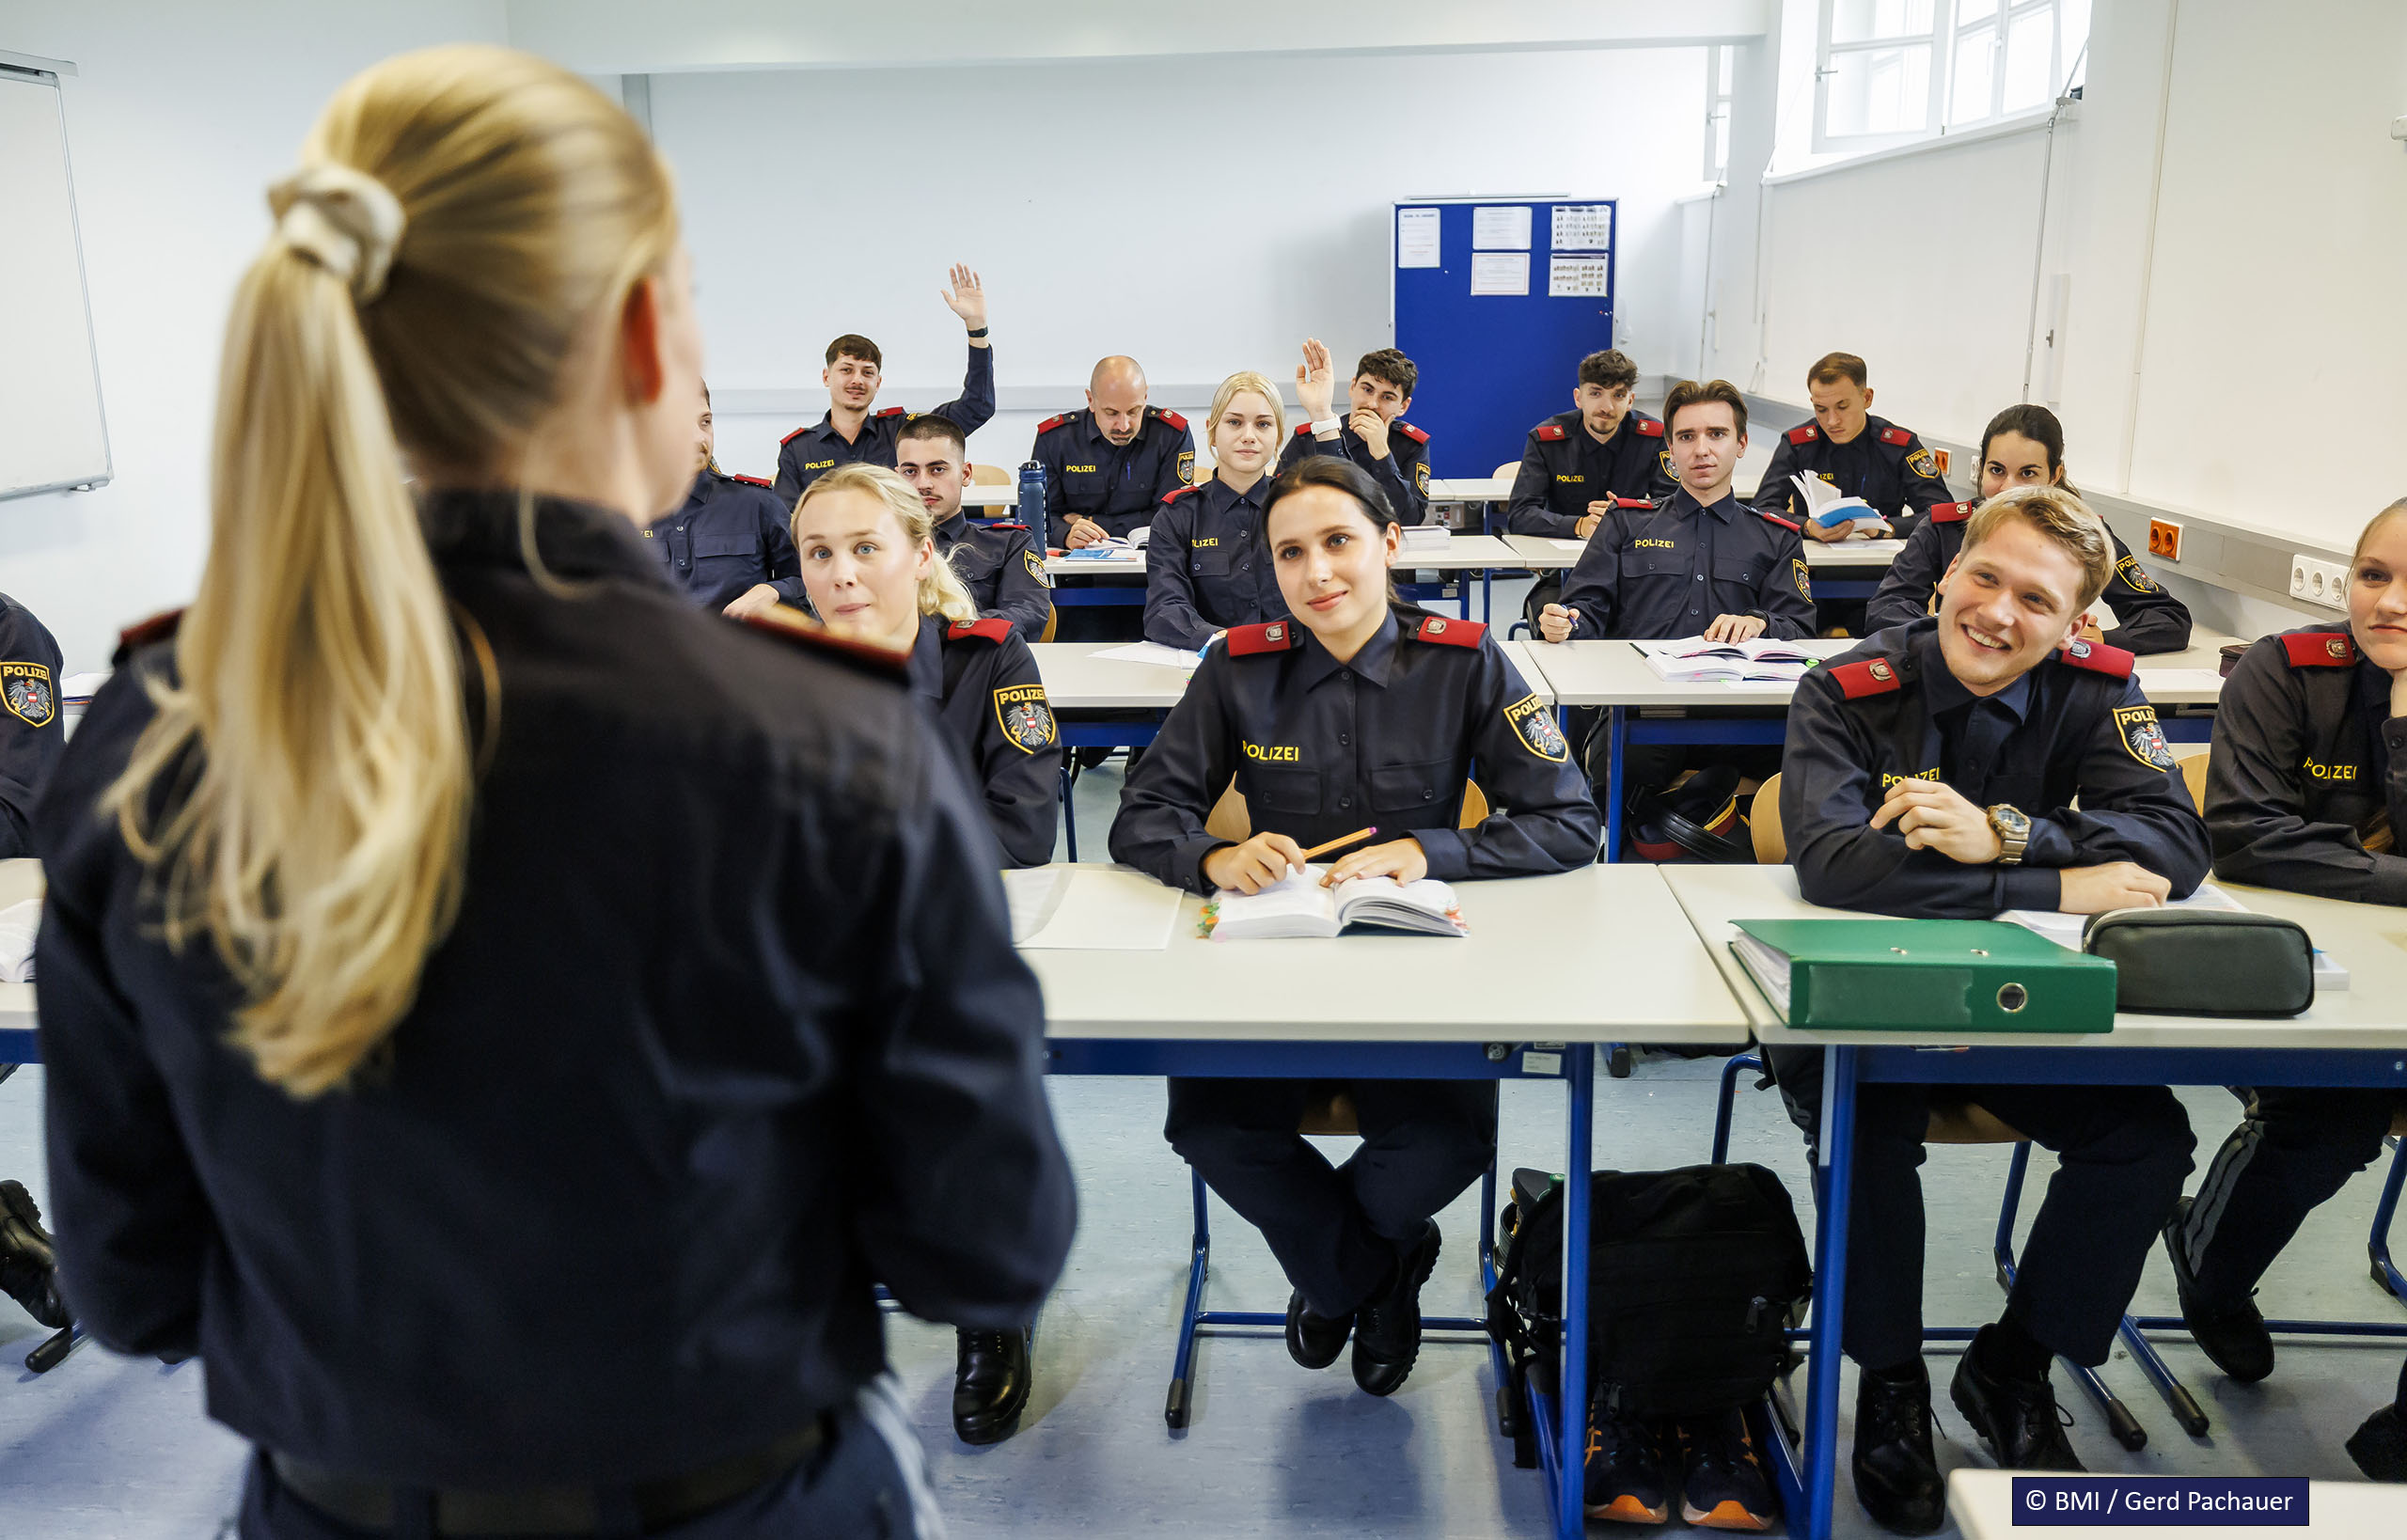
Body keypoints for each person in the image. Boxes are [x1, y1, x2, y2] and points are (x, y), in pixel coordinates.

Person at [33, 47, 1073, 1539]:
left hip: (336, 1502)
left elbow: (130, 1279)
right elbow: (988, 1245)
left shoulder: (157, 723)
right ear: (650, 340)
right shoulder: (821, 737)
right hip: (741, 1499)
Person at [1744, 486, 2206, 1536]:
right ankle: (1892, 1384)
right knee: (1868, 1128)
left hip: (2018, 1010)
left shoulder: (2098, 688)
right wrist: (2056, 884)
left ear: (2075, 624)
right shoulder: (1846, 686)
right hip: (1858, 1007)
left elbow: (2175, 848)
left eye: (2035, 601)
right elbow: (1831, 868)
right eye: (1984, 578)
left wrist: (2006, 837)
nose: (1998, 614)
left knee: (2145, 1138)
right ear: (1946, 572)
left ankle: (2011, 1367)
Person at [1110, 457, 1597, 1406]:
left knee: (1447, 1139)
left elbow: (1568, 821)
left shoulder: (1466, 659)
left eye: (1338, 542)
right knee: (1210, 1125)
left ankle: (1336, 1278)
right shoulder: (1237, 669)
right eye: (1290, 552)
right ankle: (1380, 1271)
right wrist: (1213, 859)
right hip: (1271, 970)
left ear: (1386, 544)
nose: (1317, 571)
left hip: (1412, 968)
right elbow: (1144, 814)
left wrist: (1435, 850)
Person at [2165, 500, 2407, 1397]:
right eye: (2373, 576)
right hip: (2285, 966)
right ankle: (2213, 1268)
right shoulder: (2285, 670)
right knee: (2330, 1118)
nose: (2389, 603)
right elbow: (2246, 838)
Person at [1865, 404, 2192, 653]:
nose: (2008, 488)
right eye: (1997, 471)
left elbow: (2168, 619)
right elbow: (1886, 609)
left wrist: (2101, 639)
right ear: (1981, 469)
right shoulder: (1945, 527)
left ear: (2054, 474)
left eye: (2027, 474)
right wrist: (1953, 631)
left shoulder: (2084, 535)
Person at [772, 266, 997, 504]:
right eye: (846, 370)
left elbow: (978, 407)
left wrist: (977, 328)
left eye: (867, 373)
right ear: (827, 377)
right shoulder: (799, 449)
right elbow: (787, 522)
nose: (857, 380)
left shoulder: (903, 433)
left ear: (878, 383)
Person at [1143, 361, 1301, 651]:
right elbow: (1164, 608)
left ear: (1278, 437)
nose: (1249, 436)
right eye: (1235, 422)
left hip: (1293, 663)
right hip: (1211, 662)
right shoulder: (1178, 515)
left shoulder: (1299, 509)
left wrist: (1322, 416)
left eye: (1263, 424)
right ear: (1212, 432)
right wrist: (1222, 641)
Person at [1750, 353, 1951, 542]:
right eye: (1821, 409)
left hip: (1885, 566)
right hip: (1811, 563)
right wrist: (1807, 527)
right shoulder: (1798, 444)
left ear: (1867, 398)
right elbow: (1761, 509)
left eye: (1842, 407)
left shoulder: (1899, 446)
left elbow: (1943, 513)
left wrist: (1888, 528)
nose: (1832, 421)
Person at [647, 381, 806, 620]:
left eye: (705, 422)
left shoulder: (757, 504)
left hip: (738, 652)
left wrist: (772, 591)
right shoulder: (619, 513)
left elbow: (813, 580)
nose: (698, 437)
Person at [892, 415, 1051, 642]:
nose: (923, 484)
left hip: (978, 665)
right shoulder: (879, 547)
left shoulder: (1009, 544)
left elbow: (1029, 613)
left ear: (965, 474)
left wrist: (950, 632)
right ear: (897, 476)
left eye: (937, 469)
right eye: (910, 472)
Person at [1504, 347, 1677, 540]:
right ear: (1578, 398)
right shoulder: (1547, 440)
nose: (1607, 407)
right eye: (1596, 394)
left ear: (1630, 401)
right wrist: (1580, 525)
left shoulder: (1653, 438)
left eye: (1618, 395)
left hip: (1630, 547)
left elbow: (1674, 506)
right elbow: (1520, 515)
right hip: (1564, 550)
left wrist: (1625, 517)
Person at [1034, 354, 1195, 549]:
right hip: (1075, 567)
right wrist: (1066, 535)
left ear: (1145, 398)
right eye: (1111, 413)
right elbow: (1039, 516)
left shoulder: (1170, 435)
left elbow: (1174, 515)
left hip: (1152, 562)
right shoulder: (1056, 439)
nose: (1124, 425)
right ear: (1091, 400)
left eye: (1134, 411)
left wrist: (1091, 521)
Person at [1277, 346, 1432, 526]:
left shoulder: (1412, 444)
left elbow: (1411, 519)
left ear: (1403, 406)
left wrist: (1382, 455)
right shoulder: (1311, 436)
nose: (1372, 404)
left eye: (1387, 397)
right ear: (1352, 387)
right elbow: (1277, 501)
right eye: (1367, 390)